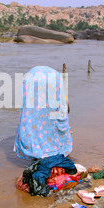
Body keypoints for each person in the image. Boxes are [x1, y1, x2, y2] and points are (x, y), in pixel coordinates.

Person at [14, 66, 75, 196]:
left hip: (39, 92)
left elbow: (28, 119)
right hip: (50, 88)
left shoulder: (32, 97)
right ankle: (53, 152)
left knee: (36, 123)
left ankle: (40, 154)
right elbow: (65, 110)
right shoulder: (56, 92)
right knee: (50, 125)